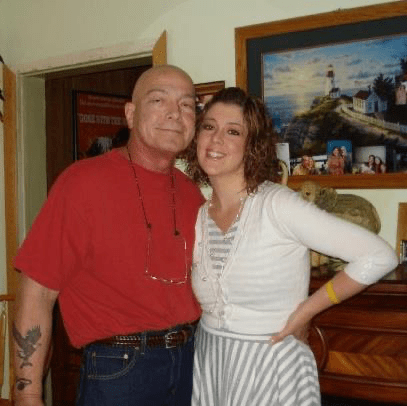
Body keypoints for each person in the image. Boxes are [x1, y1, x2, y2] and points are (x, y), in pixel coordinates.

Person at [184, 87, 398, 406]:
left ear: (252, 144)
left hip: (273, 366)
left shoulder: (277, 205)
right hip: (212, 363)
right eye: (209, 127)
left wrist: (306, 312)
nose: (216, 139)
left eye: (233, 131)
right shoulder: (200, 215)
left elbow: (379, 256)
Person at [13, 65, 205, 406]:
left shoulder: (192, 194)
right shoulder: (82, 183)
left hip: (190, 362)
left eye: (187, 104)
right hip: (119, 370)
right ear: (130, 114)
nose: (175, 113)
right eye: (158, 100)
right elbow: (38, 292)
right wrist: (27, 394)